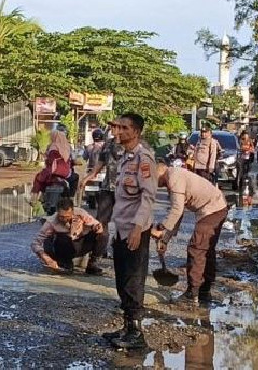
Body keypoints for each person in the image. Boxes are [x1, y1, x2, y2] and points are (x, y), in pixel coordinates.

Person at [101, 113, 157, 349]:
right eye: (117, 127)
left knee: (134, 280)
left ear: (136, 132)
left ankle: (136, 333)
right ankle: (127, 327)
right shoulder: (126, 158)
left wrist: (137, 229)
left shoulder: (144, 159)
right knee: (122, 279)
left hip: (135, 229)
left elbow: (148, 197)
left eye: (124, 128)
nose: (118, 131)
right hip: (121, 228)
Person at [151, 159, 228, 305]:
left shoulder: (173, 178)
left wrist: (161, 228)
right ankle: (204, 291)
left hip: (212, 209)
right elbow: (177, 214)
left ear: (158, 173)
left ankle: (193, 292)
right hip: (216, 207)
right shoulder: (174, 176)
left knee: (197, 249)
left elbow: (176, 210)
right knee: (206, 250)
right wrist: (165, 239)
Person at [30, 197, 107, 275]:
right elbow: (35, 243)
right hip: (62, 247)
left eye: (67, 217)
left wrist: (96, 228)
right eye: (61, 217)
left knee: (103, 235)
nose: (64, 219)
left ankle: (92, 264)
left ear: (72, 212)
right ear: (57, 212)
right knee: (62, 238)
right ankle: (65, 263)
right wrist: (45, 257)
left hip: (79, 244)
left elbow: (96, 224)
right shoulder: (51, 222)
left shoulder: (81, 213)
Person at [80, 122, 125, 240]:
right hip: (107, 187)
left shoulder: (129, 145)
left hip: (124, 189)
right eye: (112, 126)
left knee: (122, 221)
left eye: (116, 126)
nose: (112, 128)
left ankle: (119, 247)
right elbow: (99, 164)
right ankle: (100, 249)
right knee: (101, 220)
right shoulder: (107, 144)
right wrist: (87, 178)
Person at [30, 130, 73, 204]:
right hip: (66, 172)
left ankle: (34, 199)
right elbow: (71, 160)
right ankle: (72, 198)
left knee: (38, 178)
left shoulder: (53, 146)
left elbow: (51, 160)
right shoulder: (68, 147)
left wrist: (46, 158)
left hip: (55, 170)